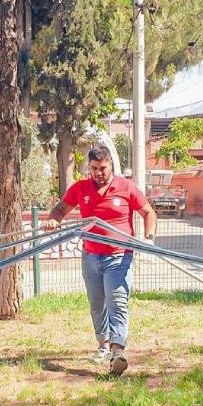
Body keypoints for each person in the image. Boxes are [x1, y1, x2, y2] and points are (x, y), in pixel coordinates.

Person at [44, 147, 157, 375]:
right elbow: (60, 209)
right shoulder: (80, 188)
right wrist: (53, 221)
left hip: (119, 255)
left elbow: (148, 212)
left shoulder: (126, 187)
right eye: (94, 169)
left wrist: (149, 237)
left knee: (117, 300)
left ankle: (118, 352)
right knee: (97, 304)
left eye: (103, 168)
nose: (98, 173)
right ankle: (103, 346)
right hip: (91, 256)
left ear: (111, 165)